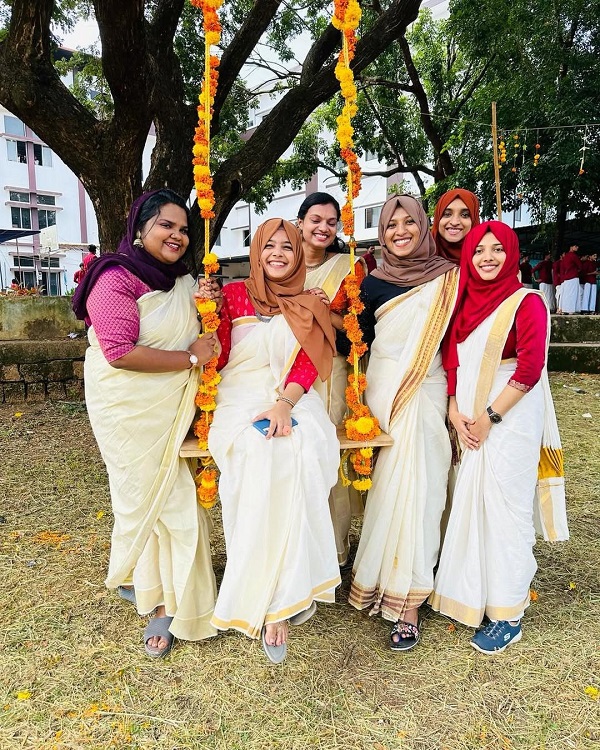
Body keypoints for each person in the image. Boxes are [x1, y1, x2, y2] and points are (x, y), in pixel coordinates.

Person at [72, 189, 218, 658]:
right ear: (140, 228)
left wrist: (205, 304)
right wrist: (189, 357)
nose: (177, 236)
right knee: (152, 499)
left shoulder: (181, 281)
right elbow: (119, 353)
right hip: (127, 409)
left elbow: (203, 330)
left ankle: (167, 592)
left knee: (175, 497)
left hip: (171, 407)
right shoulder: (114, 276)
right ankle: (160, 600)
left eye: (183, 229)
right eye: (166, 225)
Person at [204, 218, 341, 664]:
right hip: (239, 397)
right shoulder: (231, 295)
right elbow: (221, 358)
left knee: (301, 450)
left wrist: (283, 403)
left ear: (298, 254)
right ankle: (260, 588)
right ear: (257, 252)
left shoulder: (308, 300)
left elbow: (307, 362)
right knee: (257, 454)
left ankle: (283, 598)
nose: (278, 254)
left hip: (293, 396)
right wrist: (206, 316)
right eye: (269, 246)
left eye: (287, 246)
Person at [430, 221, 568, 654]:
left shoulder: (527, 302)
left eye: (497, 250)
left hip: (510, 418)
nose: (487, 258)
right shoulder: (463, 302)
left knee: (507, 510)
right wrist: (454, 410)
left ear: (511, 255)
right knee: (473, 503)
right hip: (470, 417)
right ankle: (475, 595)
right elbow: (452, 361)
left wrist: (491, 417)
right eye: (478, 251)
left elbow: (529, 368)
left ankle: (508, 613)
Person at [345, 195, 459, 650]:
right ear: (382, 233)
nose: (400, 231)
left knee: (425, 492)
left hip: (428, 390)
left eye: (408, 222)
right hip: (385, 393)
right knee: (390, 490)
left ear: (423, 226)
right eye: (391, 225)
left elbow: (459, 341)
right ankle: (381, 578)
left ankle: (410, 597)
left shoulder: (448, 277)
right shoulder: (371, 283)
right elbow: (353, 340)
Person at [297, 191, 367, 567]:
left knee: (329, 454)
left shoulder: (348, 267)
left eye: (331, 222)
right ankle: (298, 551)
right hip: (284, 371)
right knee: (295, 455)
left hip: (331, 372)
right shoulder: (279, 262)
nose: (323, 227)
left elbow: (358, 329)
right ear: (300, 224)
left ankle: (334, 551)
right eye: (315, 220)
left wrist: (324, 311)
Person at [432, 189, 481, 263]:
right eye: (447, 214)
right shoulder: (420, 257)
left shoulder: (487, 260)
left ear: (474, 220)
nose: (454, 222)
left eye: (464, 215)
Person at [560, 244, 582, 314]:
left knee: (566, 294)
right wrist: (576, 270)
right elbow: (580, 266)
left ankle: (565, 309)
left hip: (566, 278)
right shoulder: (574, 256)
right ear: (571, 247)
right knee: (573, 293)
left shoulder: (565, 257)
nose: (577, 247)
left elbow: (562, 268)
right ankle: (571, 310)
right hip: (573, 277)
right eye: (576, 246)